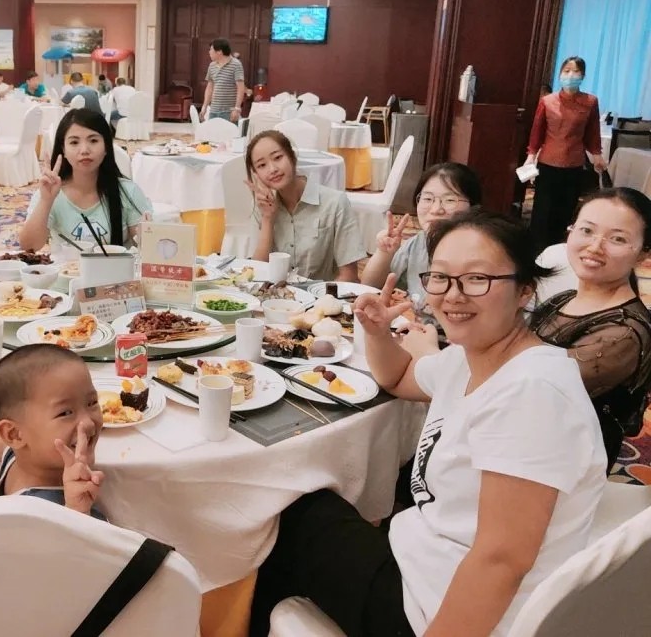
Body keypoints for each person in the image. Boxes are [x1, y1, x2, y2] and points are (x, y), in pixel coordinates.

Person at [250, 209, 606, 637]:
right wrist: (377, 332)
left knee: (275, 518)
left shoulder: (532, 394)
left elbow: (503, 560)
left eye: (477, 279)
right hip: (425, 560)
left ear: (524, 291)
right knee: (298, 502)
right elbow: (399, 377)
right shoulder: (472, 356)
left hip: (436, 608)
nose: (453, 295)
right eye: (440, 277)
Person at [531, 188, 651, 469]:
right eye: (586, 230)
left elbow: (535, 390)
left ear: (643, 254)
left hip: (561, 466)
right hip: (527, 439)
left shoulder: (623, 333)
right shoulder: (563, 299)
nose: (595, 247)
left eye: (617, 238)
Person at [0, 345, 105, 518]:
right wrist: (77, 511)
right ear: (14, 435)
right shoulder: (34, 513)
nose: (87, 423)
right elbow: (67, 538)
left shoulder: (19, 457)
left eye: (92, 403)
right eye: (65, 413)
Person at [19, 109, 151, 250]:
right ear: (63, 149)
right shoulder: (50, 192)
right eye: (74, 142)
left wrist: (148, 234)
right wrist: (46, 201)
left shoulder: (128, 192)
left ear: (106, 147)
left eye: (93, 140)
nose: (84, 150)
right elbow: (29, 247)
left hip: (115, 265)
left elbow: (146, 250)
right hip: (66, 264)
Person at [246, 130, 365, 282]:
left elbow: (349, 276)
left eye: (278, 158)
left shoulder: (335, 203)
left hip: (322, 294)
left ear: (292, 157)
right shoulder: (262, 207)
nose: (272, 169)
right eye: (262, 165)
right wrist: (268, 219)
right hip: (273, 295)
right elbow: (256, 272)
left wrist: (322, 297)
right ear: (255, 174)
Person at [362, 162, 483, 301]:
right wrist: (384, 253)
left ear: (473, 207)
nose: (436, 209)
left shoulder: (482, 251)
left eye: (449, 200)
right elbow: (370, 287)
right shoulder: (416, 244)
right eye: (427, 199)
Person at [525, 56, 606, 253]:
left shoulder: (590, 102)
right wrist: (531, 156)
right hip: (548, 162)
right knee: (542, 210)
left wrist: (597, 155)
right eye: (566, 71)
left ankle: (557, 249)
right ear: (560, 74)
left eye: (575, 71)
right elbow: (537, 132)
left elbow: (592, 132)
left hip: (574, 163)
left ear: (583, 76)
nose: (570, 75)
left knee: (566, 209)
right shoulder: (547, 101)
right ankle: (535, 251)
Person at [202, 38, 246, 123]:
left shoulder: (236, 64)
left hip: (229, 112)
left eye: (211, 49)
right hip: (213, 111)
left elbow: (240, 88)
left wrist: (237, 108)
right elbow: (209, 88)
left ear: (219, 52)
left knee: (228, 132)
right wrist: (204, 107)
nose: (209, 52)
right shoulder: (212, 66)